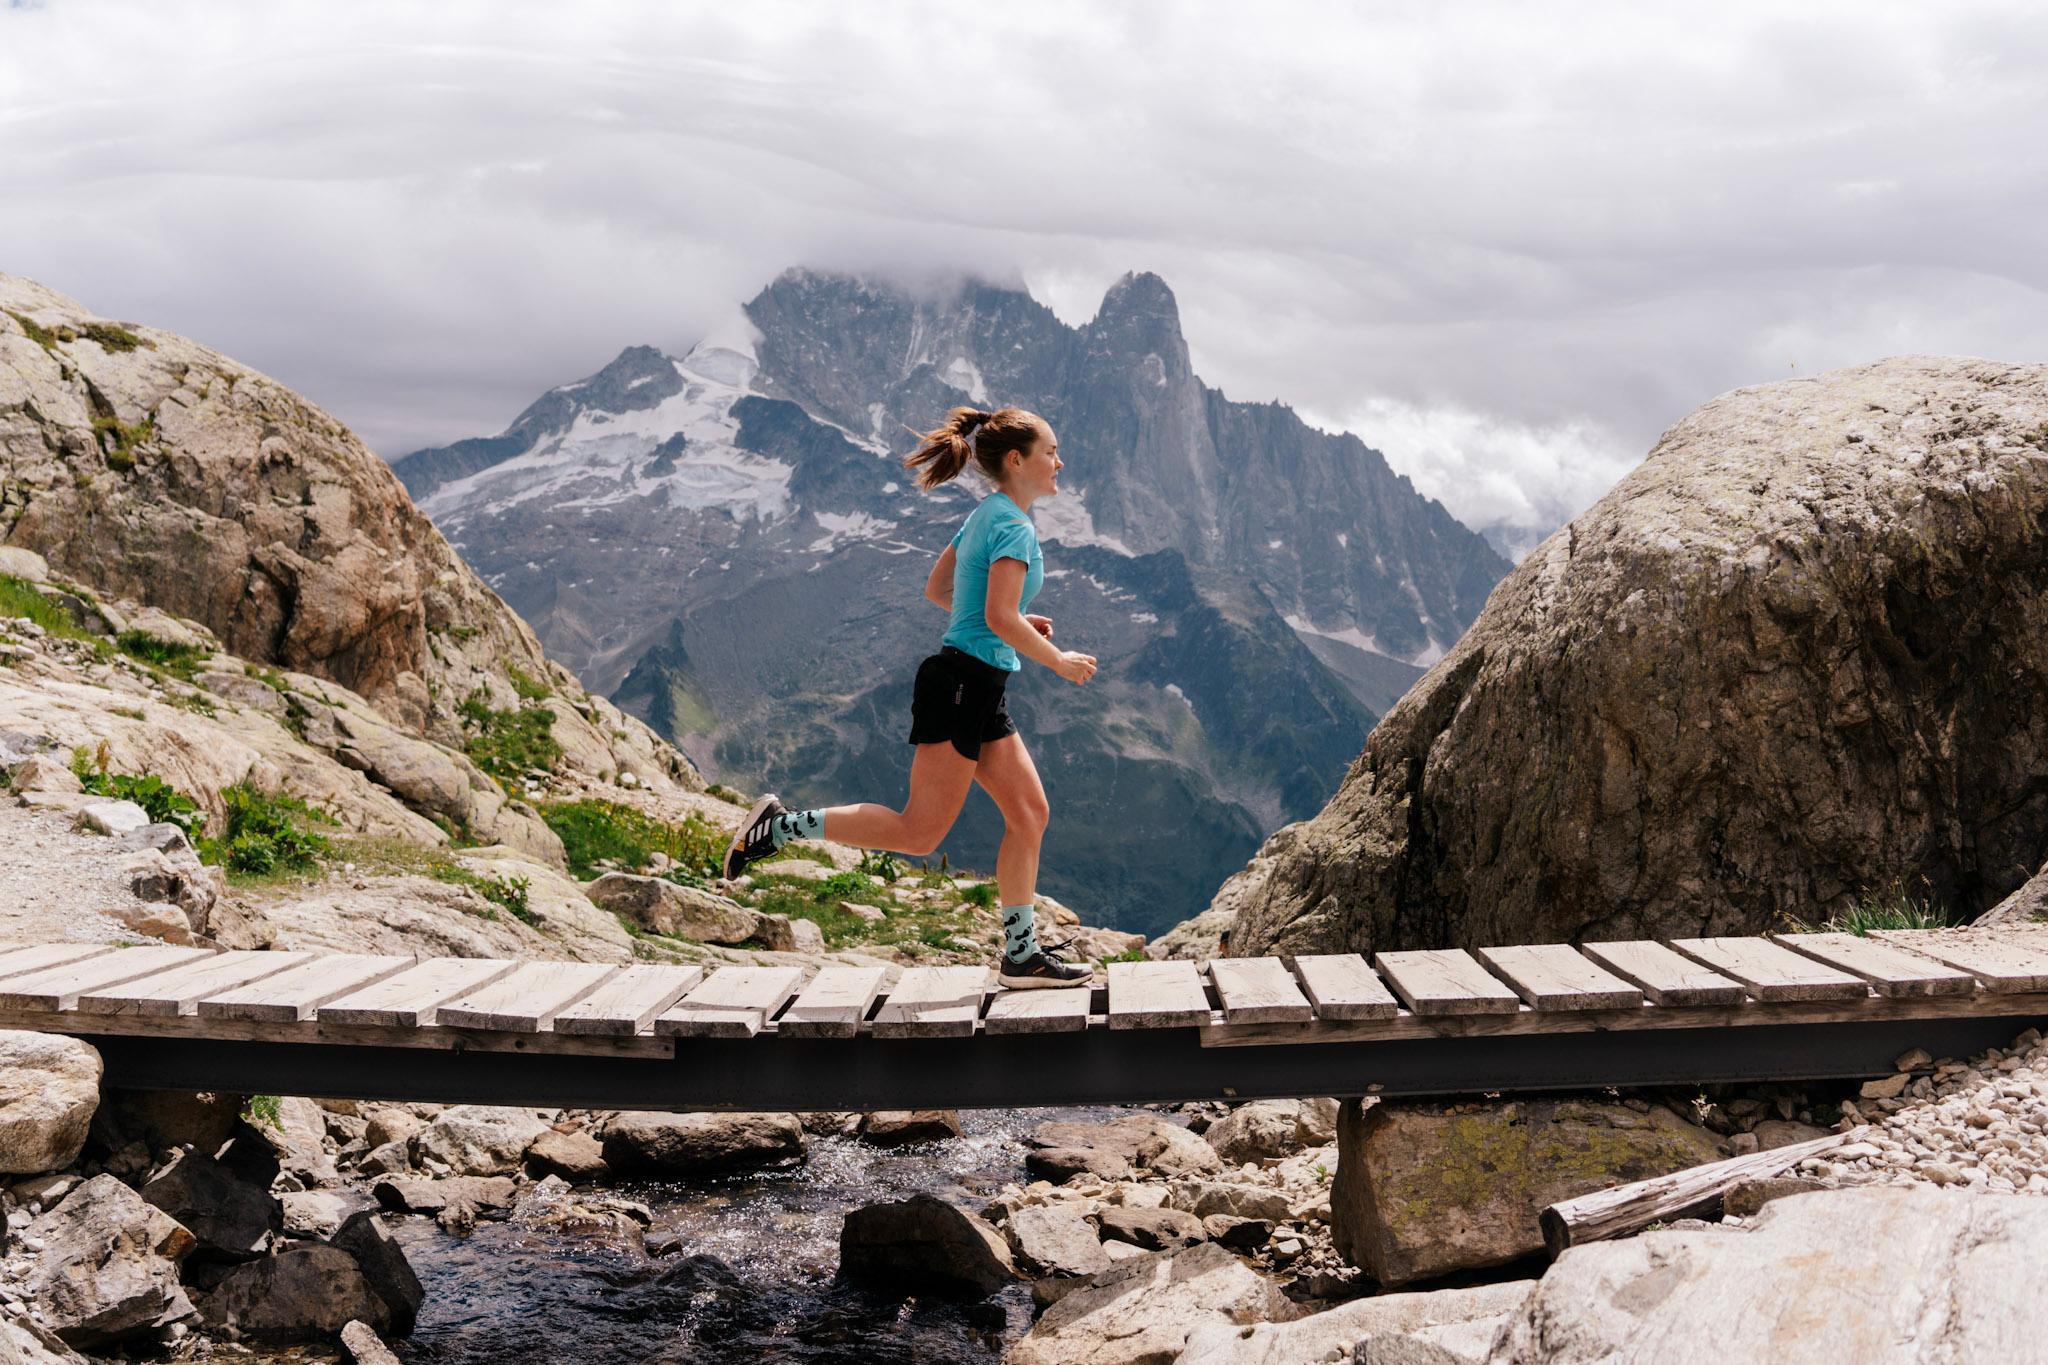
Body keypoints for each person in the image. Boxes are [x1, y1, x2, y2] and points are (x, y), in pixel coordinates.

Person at [722, 405, 1098, 988]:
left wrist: (1012, 620)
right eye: (1051, 451)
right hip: (962, 687)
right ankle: (777, 829)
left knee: (1029, 814)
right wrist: (1057, 660)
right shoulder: (1013, 527)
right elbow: (997, 614)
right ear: (1017, 460)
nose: (1060, 461)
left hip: (977, 685)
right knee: (917, 833)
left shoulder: (988, 514)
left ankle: (1020, 956)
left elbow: (940, 590)